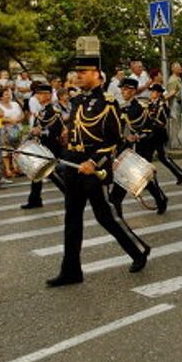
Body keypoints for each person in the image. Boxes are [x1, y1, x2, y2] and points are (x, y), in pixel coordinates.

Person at [47, 55, 150, 287]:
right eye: (77, 73)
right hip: (74, 164)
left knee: (105, 217)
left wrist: (93, 162)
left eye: (83, 72)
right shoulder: (77, 100)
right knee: (71, 219)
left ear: (96, 73)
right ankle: (71, 271)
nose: (78, 76)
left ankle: (138, 250)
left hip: (94, 168)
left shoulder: (108, 101)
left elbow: (113, 140)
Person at [109, 78, 168, 216]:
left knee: (133, 179)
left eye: (126, 89)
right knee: (139, 179)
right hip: (124, 149)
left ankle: (117, 210)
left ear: (134, 91)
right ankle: (161, 199)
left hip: (140, 149)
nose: (123, 92)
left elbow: (151, 129)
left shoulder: (140, 107)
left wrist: (137, 137)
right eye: (122, 89)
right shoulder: (121, 107)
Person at [21, 83, 67, 209]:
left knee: (49, 172)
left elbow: (56, 130)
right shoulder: (43, 111)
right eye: (38, 94)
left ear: (48, 95)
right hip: (42, 146)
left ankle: (71, 196)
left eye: (41, 94)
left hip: (51, 146)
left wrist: (40, 132)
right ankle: (35, 199)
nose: (38, 96)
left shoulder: (53, 111)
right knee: (37, 172)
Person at [145, 84, 182, 185]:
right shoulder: (151, 103)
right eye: (151, 91)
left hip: (158, 134)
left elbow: (162, 120)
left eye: (153, 91)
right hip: (151, 134)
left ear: (158, 93)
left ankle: (179, 173)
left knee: (160, 157)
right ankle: (151, 181)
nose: (151, 93)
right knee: (149, 158)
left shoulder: (161, 105)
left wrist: (151, 118)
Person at [0, 87, 24, 179]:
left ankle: (16, 167)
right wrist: (8, 120)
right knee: (6, 150)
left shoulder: (15, 104)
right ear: (1, 97)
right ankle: (8, 169)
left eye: (9, 93)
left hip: (17, 129)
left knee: (17, 149)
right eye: (6, 94)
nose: (8, 96)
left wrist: (17, 120)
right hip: (5, 130)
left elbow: (22, 115)